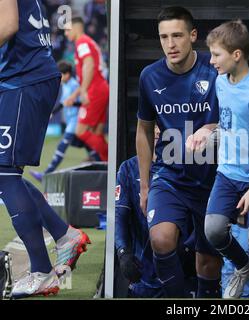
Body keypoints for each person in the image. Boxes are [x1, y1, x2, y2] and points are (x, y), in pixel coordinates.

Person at [0, 0, 90, 299]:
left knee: (4, 174)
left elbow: (8, 24)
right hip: (24, 78)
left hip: (22, 79)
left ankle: (41, 271)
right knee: (5, 172)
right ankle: (64, 235)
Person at [135, 6, 222, 298]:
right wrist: (144, 185)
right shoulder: (149, 76)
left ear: (193, 35)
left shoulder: (216, 70)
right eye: (163, 37)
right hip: (170, 177)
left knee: (208, 261)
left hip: (213, 179)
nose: (170, 44)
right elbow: (144, 130)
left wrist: (212, 129)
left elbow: (240, 120)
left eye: (177, 35)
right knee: (160, 238)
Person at [200, 20, 249, 299]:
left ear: (236, 55)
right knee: (213, 230)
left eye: (216, 55)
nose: (211, 61)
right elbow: (230, 125)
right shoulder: (221, 82)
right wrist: (207, 135)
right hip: (227, 173)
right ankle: (243, 268)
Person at [115, 156, 198, 298]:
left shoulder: (187, 164)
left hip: (185, 269)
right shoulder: (128, 168)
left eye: (162, 130)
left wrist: (188, 247)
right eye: (152, 131)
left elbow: (201, 213)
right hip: (144, 274)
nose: (158, 132)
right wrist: (123, 253)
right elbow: (120, 214)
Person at [30, 60, 100, 182]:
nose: (60, 77)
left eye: (61, 74)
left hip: (75, 122)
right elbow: (64, 103)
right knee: (87, 146)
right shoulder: (66, 85)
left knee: (61, 147)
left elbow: (84, 103)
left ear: (67, 74)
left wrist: (75, 103)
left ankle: (45, 175)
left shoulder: (75, 85)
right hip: (70, 122)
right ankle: (103, 165)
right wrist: (53, 113)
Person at [64, 17, 109, 161]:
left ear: (77, 28)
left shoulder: (82, 42)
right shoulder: (88, 41)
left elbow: (89, 65)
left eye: (67, 29)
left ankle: (110, 159)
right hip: (100, 88)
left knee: (81, 131)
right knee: (97, 132)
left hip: (95, 91)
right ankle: (104, 162)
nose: (65, 33)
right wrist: (74, 95)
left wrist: (83, 91)